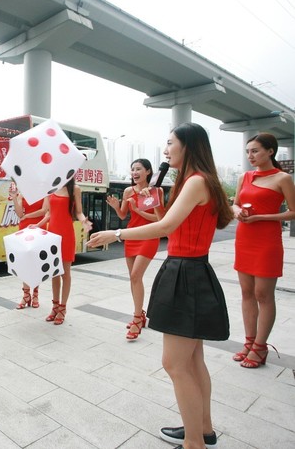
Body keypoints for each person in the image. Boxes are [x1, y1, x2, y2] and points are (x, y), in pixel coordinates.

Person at [88, 123, 233, 449]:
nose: (166, 150)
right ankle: (202, 428)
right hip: (193, 270)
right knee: (193, 361)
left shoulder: (196, 182)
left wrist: (117, 233)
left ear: (189, 146)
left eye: (170, 143)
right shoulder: (201, 181)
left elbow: (165, 225)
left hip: (185, 273)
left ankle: (194, 442)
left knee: (175, 364)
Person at [231, 133, 295, 368]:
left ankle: (261, 346)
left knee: (263, 295)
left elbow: (293, 211)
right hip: (244, 237)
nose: (250, 156)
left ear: (270, 151)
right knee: (247, 293)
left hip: (267, 240)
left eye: (255, 150)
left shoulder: (282, 178)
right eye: (248, 151)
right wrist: (237, 211)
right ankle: (249, 342)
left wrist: (260, 217)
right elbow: (235, 203)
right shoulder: (244, 177)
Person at [106, 159, 164, 340]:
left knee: (135, 276)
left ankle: (137, 319)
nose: (134, 172)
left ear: (148, 171)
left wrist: (138, 211)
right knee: (133, 279)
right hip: (131, 235)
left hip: (149, 236)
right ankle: (140, 313)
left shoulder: (156, 191)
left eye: (138, 169)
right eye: (132, 169)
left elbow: (159, 219)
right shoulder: (128, 191)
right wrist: (117, 207)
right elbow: (124, 215)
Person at [37, 178, 92, 325]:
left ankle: (63, 308)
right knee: (54, 272)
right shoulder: (50, 187)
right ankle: (54, 307)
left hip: (66, 234)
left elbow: (79, 212)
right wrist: (36, 226)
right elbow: (48, 214)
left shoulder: (75, 188)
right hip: (52, 235)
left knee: (65, 272)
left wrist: (84, 222)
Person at [9, 188, 45, 308]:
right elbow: (19, 214)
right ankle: (26, 296)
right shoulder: (22, 193)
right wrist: (14, 197)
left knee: (36, 264)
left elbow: (44, 211)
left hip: (39, 228)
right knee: (25, 264)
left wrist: (27, 215)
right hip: (24, 228)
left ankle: (35, 295)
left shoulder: (44, 191)